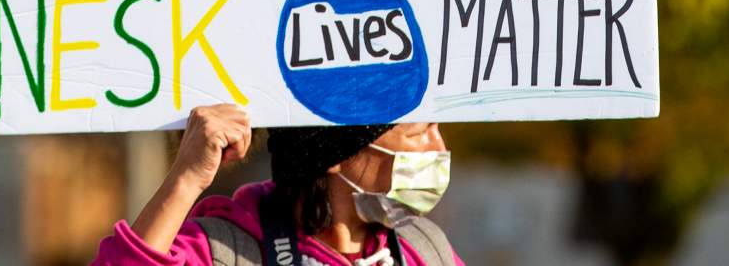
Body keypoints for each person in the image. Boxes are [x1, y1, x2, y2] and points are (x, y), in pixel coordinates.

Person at [92, 104, 463, 266]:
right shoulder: (228, 250)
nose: (440, 147)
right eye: (419, 133)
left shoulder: (423, 248)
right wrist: (187, 177)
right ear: (337, 154)